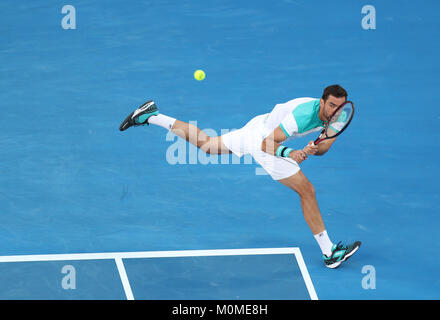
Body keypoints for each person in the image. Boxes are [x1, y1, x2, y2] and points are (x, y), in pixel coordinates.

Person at [119, 84, 361, 268]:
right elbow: (268, 144)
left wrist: (311, 149)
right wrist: (292, 153)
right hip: (265, 141)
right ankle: (329, 252)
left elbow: (323, 148)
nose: (334, 111)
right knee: (306, 190)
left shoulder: (337, 117)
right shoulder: (301, 116)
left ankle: (151, 115)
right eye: (330, 106)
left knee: (208, 145)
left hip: (259, 126)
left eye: (339, 107)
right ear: (322, 101)